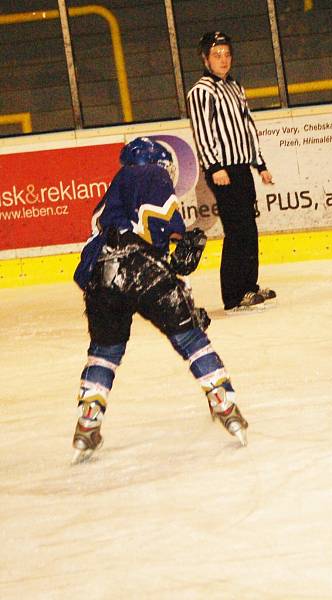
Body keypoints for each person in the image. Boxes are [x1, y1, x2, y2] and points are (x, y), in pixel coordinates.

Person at [71, 137, 249, 464]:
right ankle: (224, 404)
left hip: (100, 276)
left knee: (105, 351)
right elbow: (158, 221)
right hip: (139, 267)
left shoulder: (113, 192)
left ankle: (88, 422)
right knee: (191, 337)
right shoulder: (150, 173)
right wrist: (180, 241)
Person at [187, 31, 276, 312]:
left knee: (248, 227)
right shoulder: (201, 91)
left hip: (241, 167)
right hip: (222, 170)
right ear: (205, 59)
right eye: (217, 55)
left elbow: (248, 127)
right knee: (237, 230)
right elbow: (202, 132)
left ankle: (249, 286)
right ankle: (233, 295)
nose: (223, 60)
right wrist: (215, 167)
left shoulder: (235, 87)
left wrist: (259, 164)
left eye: (227, 54)